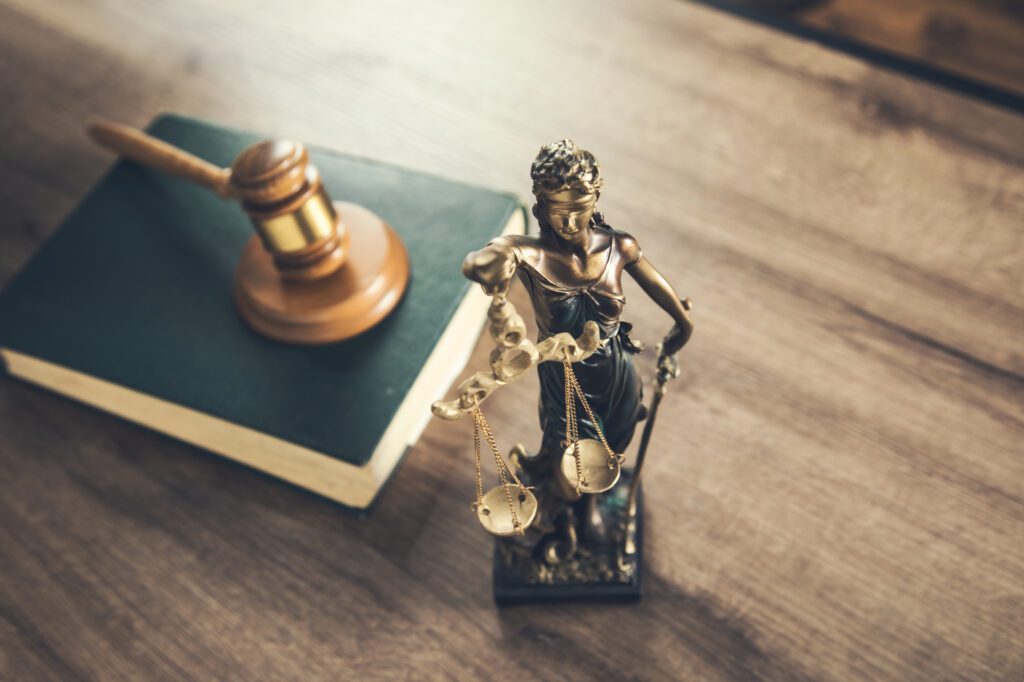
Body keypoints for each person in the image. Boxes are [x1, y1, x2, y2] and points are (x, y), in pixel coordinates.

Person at [462, 139, 693, 559]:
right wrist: (494, 260)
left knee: (611, 451)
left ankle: (589, 510)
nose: (569, 221)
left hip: (617, 371)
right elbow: (482, 260)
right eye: (558, 209)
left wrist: (684, 323)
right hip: (566, 381)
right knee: (568, 462)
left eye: (580, 208)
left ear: (595, 199)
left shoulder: (618, 247)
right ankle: (568, 511)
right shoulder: (529, 255)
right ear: (540, 207)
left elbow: (658, 286)